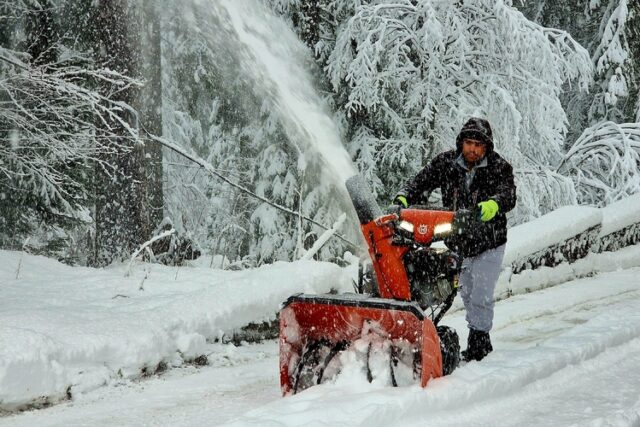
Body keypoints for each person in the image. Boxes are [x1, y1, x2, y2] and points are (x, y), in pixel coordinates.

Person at [394, 117, 516, 362]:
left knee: (480, 293)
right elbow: (421, 181)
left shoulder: (498, 167)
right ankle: (477, 332)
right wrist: (404, 197)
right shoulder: (446, 163)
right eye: (468, 143)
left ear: (486, 147)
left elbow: (508, 194)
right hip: (459, 241)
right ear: (461, 143)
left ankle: (479, 342)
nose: (472, 149)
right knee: (467, 291)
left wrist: (493, 204)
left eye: (478, 145)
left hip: (489, 242)